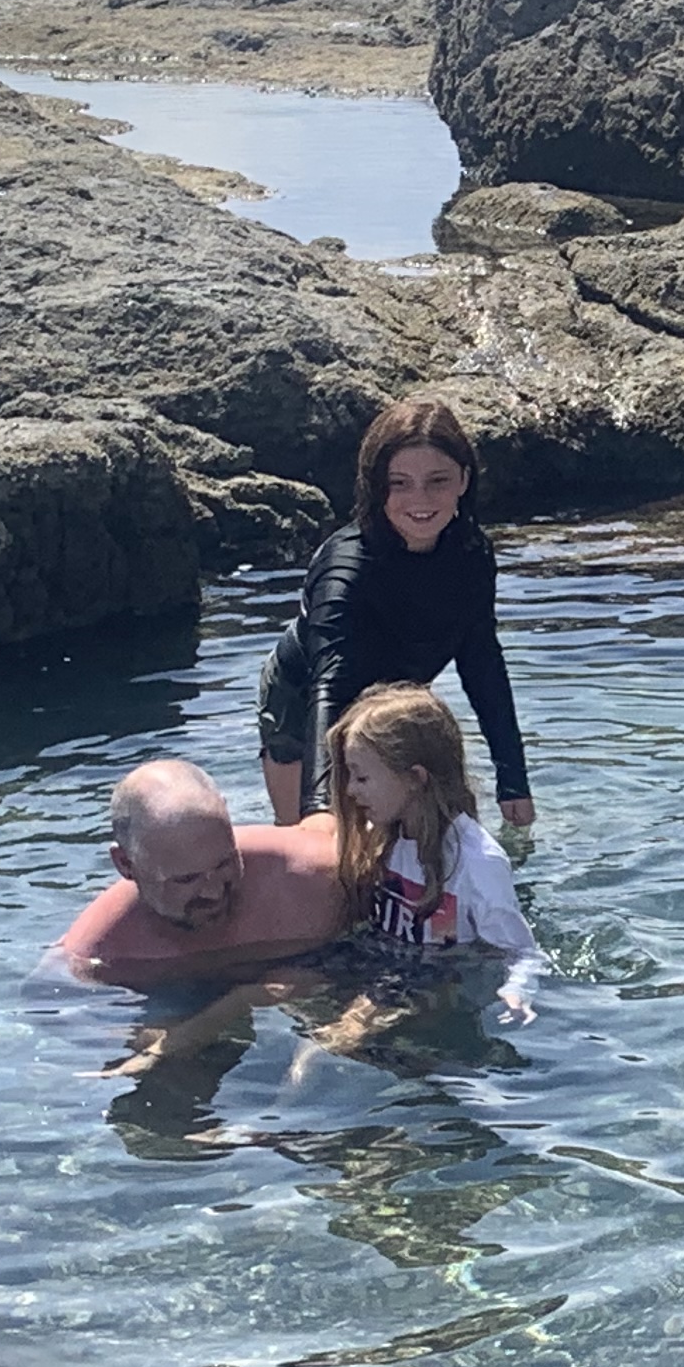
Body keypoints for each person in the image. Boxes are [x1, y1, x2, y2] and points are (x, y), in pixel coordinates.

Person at [260, 397, 535, 835]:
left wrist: (513, 780)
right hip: (306, 702)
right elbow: (330, 686)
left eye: (437, 480)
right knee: (318, 855)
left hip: (396, 703)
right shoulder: (345, 569)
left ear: (464, 479)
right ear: (375, 486)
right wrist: (318, 814)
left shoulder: (471, 553)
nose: (420, 500)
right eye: (400, 483)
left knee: (431, 840)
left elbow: (481, 660)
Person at [52, 758, 352, 985]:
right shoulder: (98, 956)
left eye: (224, 863)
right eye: (186, 879)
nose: (213, 892)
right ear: (125, 865)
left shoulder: (317, 880)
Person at [331, 683, 535, 961]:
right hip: (390, 968)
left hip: (441, 984)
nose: (350, 790)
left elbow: (521, 954)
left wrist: (516, 995)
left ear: (415, 778)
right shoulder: (382, 839)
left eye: (362, 778)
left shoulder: (478, 863)